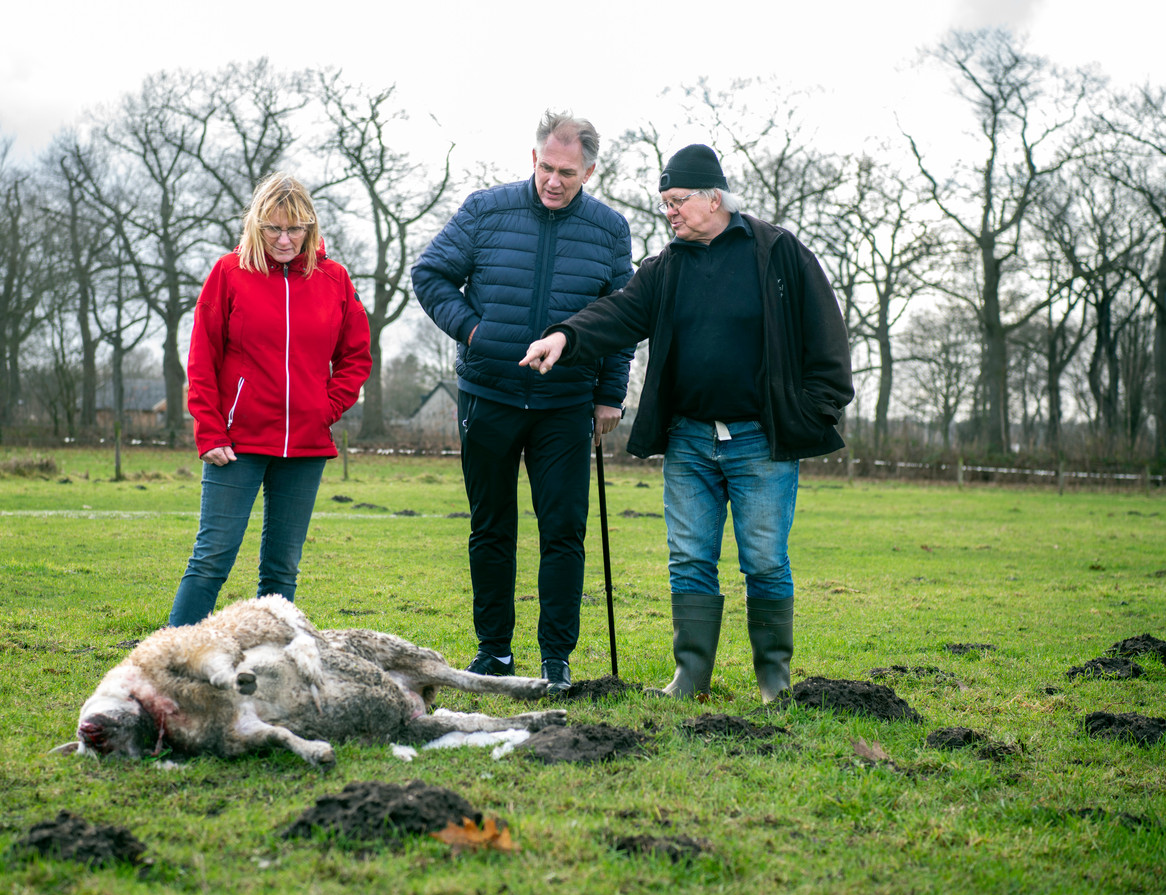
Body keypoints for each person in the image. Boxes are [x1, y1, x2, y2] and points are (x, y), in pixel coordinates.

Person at [520, 144, 853, 702]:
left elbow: (826, 333)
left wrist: (816, 408)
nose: (669, 212)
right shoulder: (666, 267)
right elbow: (619, 314)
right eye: (664, 203)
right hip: (690, 440)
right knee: (691, 557)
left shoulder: (777, 253)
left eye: (677, 202)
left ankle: (774, 680)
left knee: (765, 560)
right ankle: (690, 677)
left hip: (761, 441)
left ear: (713, 197)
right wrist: (565, 336)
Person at [411, 111, 635, 695]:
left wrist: (609, 394)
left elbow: (619, 318)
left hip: (566, 404)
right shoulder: (486, 210)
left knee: (564, 532)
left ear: (588, 170)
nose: (553, 180)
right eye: (545, 167)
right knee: (491, 529)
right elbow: (430, 273)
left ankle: (556, 657)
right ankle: (494, 652)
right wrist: (472, 331)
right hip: (490, 395)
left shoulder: (610, 230)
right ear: (533, 158)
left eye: (566, 172)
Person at [168, 173, 372, 627]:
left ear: (310, 228)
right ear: (256, 225)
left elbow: (356, 356)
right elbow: (202, 359)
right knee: (211, 560)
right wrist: (210, 430)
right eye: (273, 228)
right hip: (234, 444)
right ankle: (167, 666)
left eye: (294, 228)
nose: (284, 239)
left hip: (305, 445)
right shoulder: (228, 273)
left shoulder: (335, 279)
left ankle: (269, 669)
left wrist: (325, 408)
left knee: (282, 570)